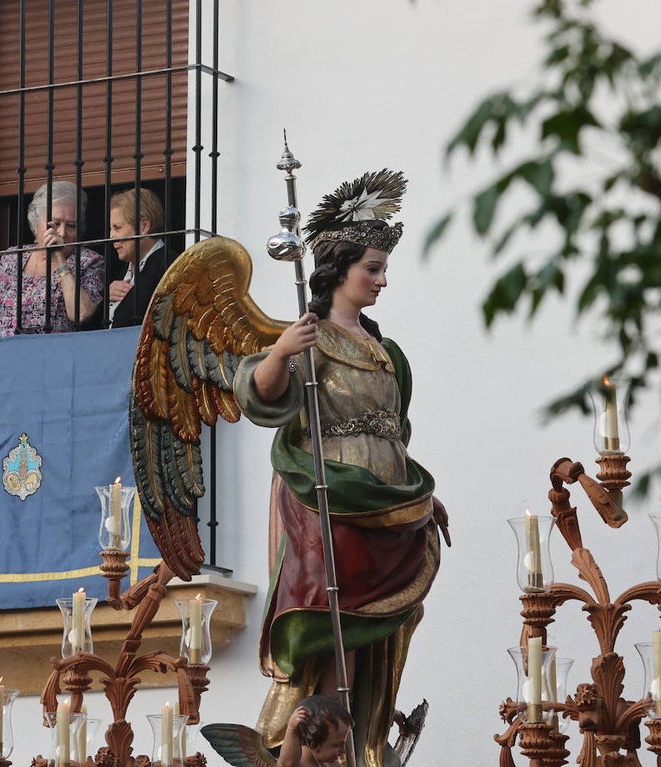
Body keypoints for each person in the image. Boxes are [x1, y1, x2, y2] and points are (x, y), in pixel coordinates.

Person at [233, 170, 449, 767]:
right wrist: (279, 352)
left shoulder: (386, 352)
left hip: (386, 502)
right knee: (339, 625)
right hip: (333, 499)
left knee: (376, 631)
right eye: (371, 268)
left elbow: (395, 434)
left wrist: (424, 498)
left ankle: (361, 744)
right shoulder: (312, 339)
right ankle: (318, 746)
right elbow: (261, 397)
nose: (381, 280)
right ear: (339, 269)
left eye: (383, 269)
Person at [0, 181, 105, 337]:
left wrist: (59, 257)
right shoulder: (13, 258)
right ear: (36, 224)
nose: (62, 233)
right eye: (55, 224)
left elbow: (81, 314)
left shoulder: (89, 261)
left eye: (71, 226)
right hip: (2, 356)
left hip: (52, 356)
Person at [107, 187, 170, 328]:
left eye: (117, 227)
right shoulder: (125, 270)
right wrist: (108, 296)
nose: (111, 236)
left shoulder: (167, 265)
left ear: (144, 226)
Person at [277, 696, 353, 767]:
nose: (343, 750)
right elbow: (286, 764)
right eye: (336, 745)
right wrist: (291, 729)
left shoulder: (331, 764)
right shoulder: (298, 763)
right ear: (313, 743)